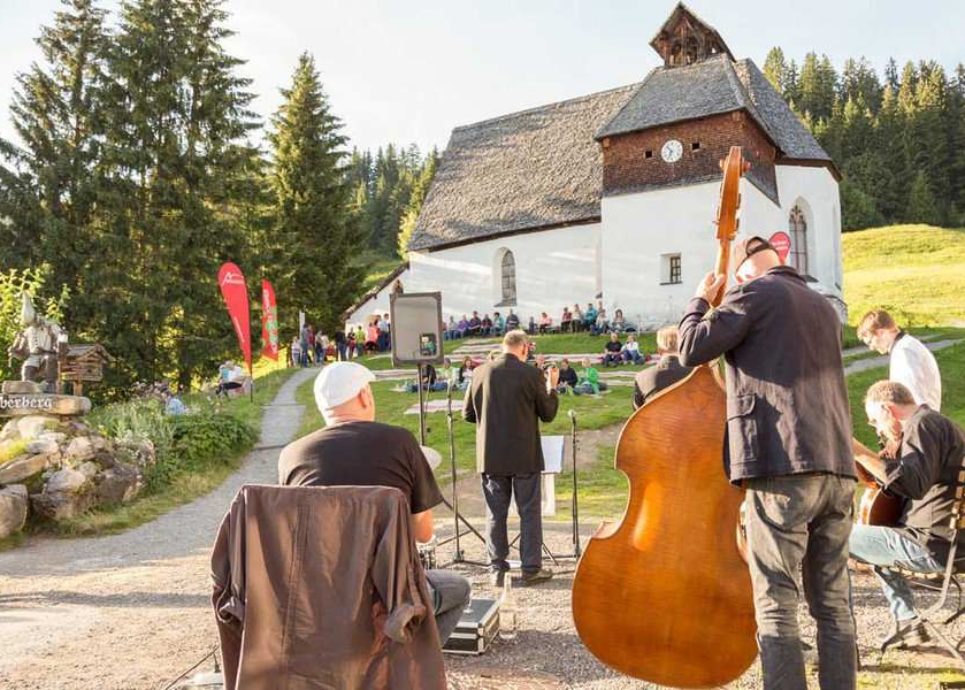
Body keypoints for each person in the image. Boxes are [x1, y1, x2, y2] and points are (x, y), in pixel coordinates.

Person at [678, 235, 856, 690]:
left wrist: (701, 299)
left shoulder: (754, 292)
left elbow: (691, 348)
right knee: (834, 602)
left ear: (743, 273)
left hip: (782, 465)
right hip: (837, 466)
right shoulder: (824, 306)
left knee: (776, 598)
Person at [278, 362, 471, 645]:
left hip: (317, 596)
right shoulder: (400, 442)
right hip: (390, 598)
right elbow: (424, 533)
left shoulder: (291, 455)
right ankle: (408, 672)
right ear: (364, 396)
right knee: (459, 588)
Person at [849, 380, 965, 645]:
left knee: (831, 536)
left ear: (888, 410)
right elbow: (911, 482)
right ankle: (907, 622)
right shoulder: (940, 425)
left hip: (932, 546)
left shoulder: (922, 425)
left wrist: (860, 452)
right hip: (953, 545)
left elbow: (913, 484)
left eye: (874, 421)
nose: (878, 430)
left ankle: (840, 636)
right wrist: (889, 458)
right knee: (876, 535)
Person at [463, 330, 559, 586]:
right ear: (525, 348)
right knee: (529, 512)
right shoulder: (531, 374)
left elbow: (468, 415)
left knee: (495, 513)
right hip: (524, 455)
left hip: (491, 454)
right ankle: (530, 568)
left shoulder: (480, 373)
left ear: (504, 346)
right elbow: (547, 413)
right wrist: (553, 387)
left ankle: (497, 569)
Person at [857, 309, 942, 411]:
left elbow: (913, 396)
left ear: (881, 333)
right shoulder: (906, 345)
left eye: (870, 342)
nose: (872, 348)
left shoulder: (904, 351)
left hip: (920, 421)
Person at [632, 325, 691, 409]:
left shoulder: (642, 377)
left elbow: (637, 413)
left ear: (659, 350)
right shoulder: (697, 373)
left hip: (655, 421)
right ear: (683, 347)